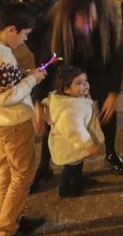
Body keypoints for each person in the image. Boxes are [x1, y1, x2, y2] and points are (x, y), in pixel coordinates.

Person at [31, 0, 123, 193]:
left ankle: (111, 153)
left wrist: (113, 92)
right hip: (64, 83)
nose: (88, 23)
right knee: (58, 125)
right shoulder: (56, 29)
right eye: (82, 18)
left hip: (97, 80)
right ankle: (44, 166)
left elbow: (116, 60)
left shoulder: (106, 25)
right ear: (70, 16)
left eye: (91, 15)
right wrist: (39, 102)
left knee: (105, 117)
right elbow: (43, 65)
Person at [0, 2, 48, 236]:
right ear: (11, 30)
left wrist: (22, 76)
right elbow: (6, 97)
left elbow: (1, 88)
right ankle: (6, 229)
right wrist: (33, 79)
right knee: (22, 175)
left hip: (0, 122)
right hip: (13, 124)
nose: (25, 40)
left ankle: (12, 220)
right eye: (24, 35)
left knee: (7, 173)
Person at [42, 66, 104, 198]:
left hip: (74, 146)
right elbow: (75, 130)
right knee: (71, 167)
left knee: (78, 163)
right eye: (79, 83)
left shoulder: (76, 98)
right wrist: (88, 144)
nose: (85, 85)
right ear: (66, 89)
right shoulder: (69, 110)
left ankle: (78, 180)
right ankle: (64, 189)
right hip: (69, 146)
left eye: (85, 81)